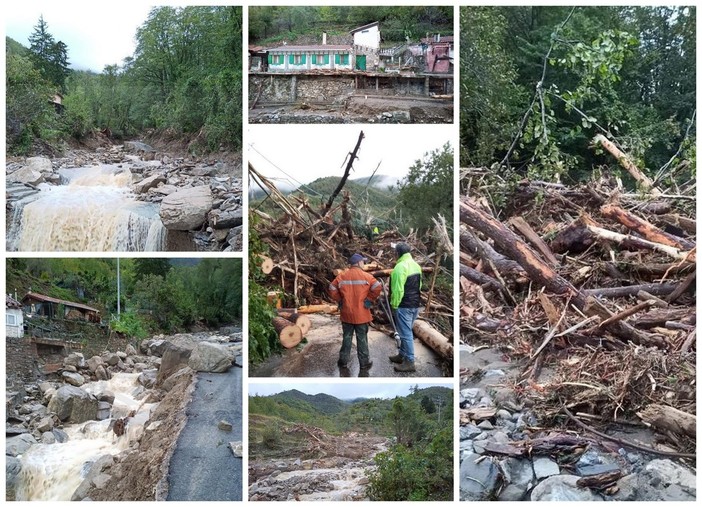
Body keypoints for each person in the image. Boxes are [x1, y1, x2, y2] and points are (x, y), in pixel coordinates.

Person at [328, 253, 382, 371]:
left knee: (347, 337)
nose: (364, 263)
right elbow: (377, 287)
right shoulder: (367, 276)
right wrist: (369, 299)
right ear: (358, 263)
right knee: (361, 338)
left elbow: (331, 288)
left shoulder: (341, 276)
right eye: (363, 262)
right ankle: (364, 364)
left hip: (346, 313)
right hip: (361, 314)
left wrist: (340, 299)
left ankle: (343, 362)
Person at [388, 242, 422, 372]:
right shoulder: (416, 266)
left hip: (404, 305)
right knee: (404, 332)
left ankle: (410, 362)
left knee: (406, 334)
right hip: (415, 304)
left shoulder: (400, 267)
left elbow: (397, 290)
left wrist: (394, 305)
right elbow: (419, 286)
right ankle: (402, 355)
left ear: (397, 253)